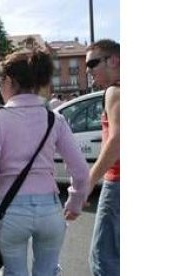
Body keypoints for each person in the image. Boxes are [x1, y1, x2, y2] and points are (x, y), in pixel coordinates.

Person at [0, 49, 90, 276]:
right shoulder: (54, 118)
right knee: (47, 271)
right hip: (50, 209)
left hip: (11, 211)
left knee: (15, 272)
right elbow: (81, 171)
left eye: (1, 81)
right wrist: (74, 203)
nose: (0, 87)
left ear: (9, 81)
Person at [85, 39, 120, 276]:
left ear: (114, 61)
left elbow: (117, 140)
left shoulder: (114, 91)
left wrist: (89, 181)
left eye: (93, 63)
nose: (88, 70)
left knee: (102, 259)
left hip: (118, 182)